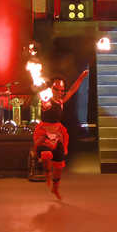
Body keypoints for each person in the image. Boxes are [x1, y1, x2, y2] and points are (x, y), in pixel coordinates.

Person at [34, 70, 89, 199]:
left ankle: (55, 188)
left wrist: (81, 77)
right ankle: (47, 172)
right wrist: (45, 101)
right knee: (46, 154)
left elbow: (72, 90)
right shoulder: (46, 100)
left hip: (58, 134)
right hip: (44, 134)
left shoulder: (61, 101)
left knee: (59, 165)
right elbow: (45, 103)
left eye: (61, 90)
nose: (59, 92)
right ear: (51, 89)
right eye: (56, 89)